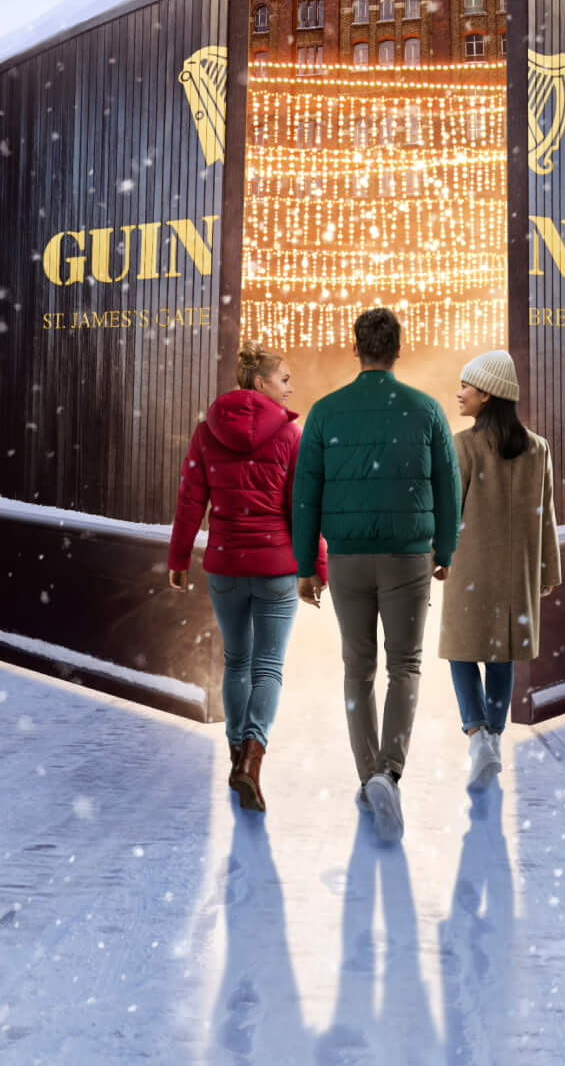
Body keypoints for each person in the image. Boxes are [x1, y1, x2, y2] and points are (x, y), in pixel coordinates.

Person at [291, 307, 460, 845]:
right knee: (404, 665)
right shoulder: (428, 410)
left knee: (356, 669)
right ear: (398, 350)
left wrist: (304, 565)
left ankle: (369, 777)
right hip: (409, 555)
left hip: (346, 559)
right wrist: (446, 549)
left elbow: (306, 494)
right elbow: (448, 486)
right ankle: (391, 772)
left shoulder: (324, 412)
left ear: (356, 348)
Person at [170, 342, 323, 813]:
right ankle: (253, 760)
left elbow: (191, 500)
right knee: (268, 666)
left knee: (236, 661)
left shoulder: (206, 432)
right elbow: (303, 509)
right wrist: (316, 567)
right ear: (260, 383)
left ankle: (237, 753)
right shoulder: (290, 436)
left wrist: (178, 557)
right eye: (284, 379)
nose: (290, 388)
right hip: (276, 568)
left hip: (226, 566)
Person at [438, 350, 561, 791]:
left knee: (461, 650)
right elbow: (546, 515)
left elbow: (448, 513)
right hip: (517, 572)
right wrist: (547, 570)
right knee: (502, 652)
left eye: (466, 386)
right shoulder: (538, 447)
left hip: (469, 567)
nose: (459, 393)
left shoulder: (463, 445)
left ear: (487, 394)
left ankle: (478, 736)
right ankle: (494, 733)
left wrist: (437, 557)